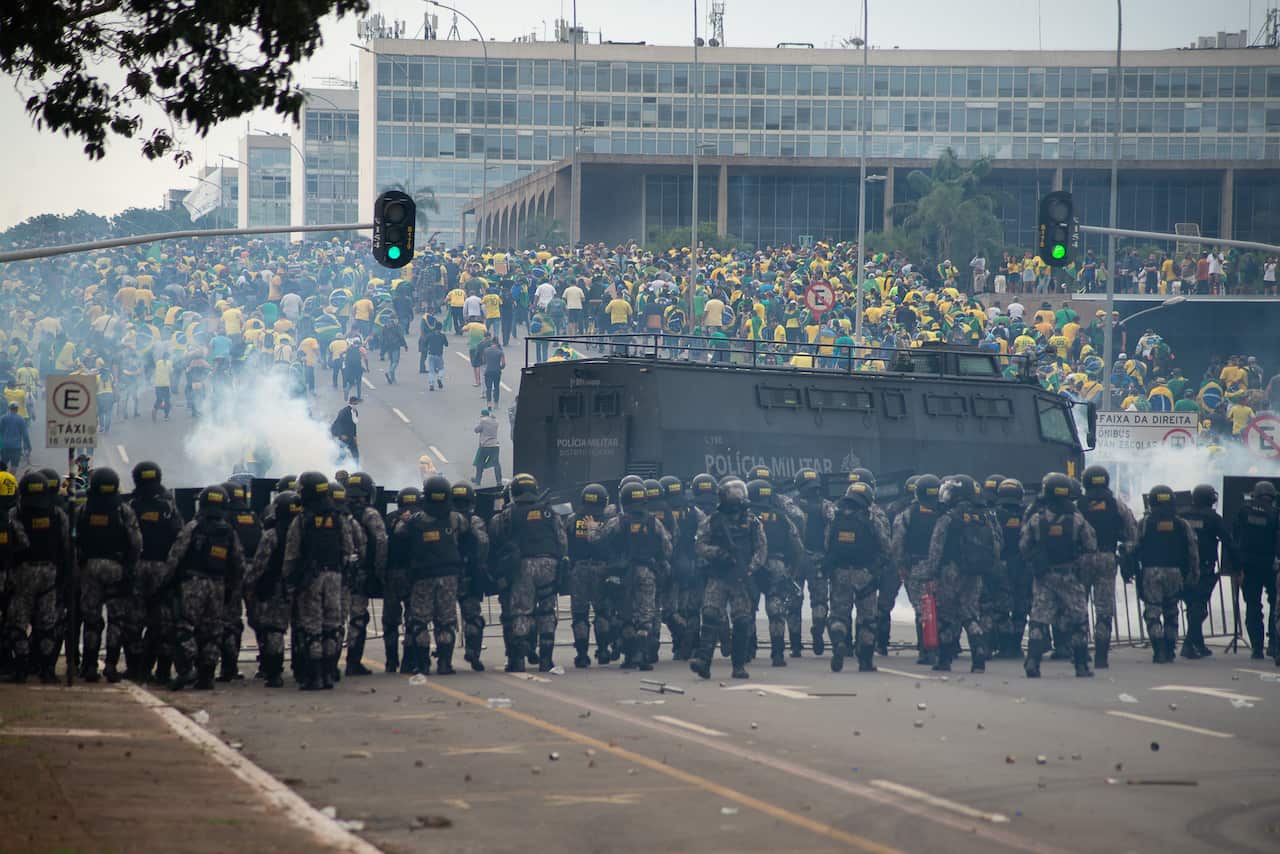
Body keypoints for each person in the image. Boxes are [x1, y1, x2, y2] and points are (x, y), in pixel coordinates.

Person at [166, 485, 245, 691]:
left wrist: (168, 583)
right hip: (218, 586)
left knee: (185, 627)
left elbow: (175, 556)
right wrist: (231, 589)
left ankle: (187, 669)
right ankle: (207, 675)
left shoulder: (193, 527)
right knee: (212, 631)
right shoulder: (229, 531)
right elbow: (238, 564)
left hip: (193, 584)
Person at [1019, 473, 1097, 678]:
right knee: (1078, 618)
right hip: (1070, 576)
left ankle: (1033, 662)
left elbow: (1024, 546)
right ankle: (1081, 665)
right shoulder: (1078, 520)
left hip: (1044, 577)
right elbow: (1091, 545)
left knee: (1039, 618)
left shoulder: (1037, 519)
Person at [283, 472, 355, 690]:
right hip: (335, 576)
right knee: (332, 626)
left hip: (310, 578)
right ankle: (329, 673)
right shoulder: (338, 517)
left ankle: (314, 676)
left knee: (312, 627)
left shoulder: (302, 519)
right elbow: (348, 549)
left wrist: (288, 579)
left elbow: (291, 553)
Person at [489, 473, 567, 673]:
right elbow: (562, 540)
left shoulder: (507, 514)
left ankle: (518, 658)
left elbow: (496, 534)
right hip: (549, 564)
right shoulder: (549, 512)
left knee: (522, 611)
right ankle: (546, 660)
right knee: (547, 612)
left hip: (522, 566)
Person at [592, 480, 672, 671]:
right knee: (645, 616)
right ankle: (642, 656)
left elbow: (596, 539)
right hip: (648, 572)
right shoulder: (655, 522)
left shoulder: (617, 521)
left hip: (623, 573)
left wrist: (592, 527)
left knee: (626, 614)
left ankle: (629, 657)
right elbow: (667, 548)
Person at [398, 476, 474, 676]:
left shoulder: (416, 520)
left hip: (422, 576)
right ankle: (445, 663)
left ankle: (423, 664)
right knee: (446, 620)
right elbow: (470, 536)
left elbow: (399, 536)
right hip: (449, 575)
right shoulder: (455, 518)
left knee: (419, 621)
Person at [691, 479, 766, 680]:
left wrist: (750, 568)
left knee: (742, 621)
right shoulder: (712, 521)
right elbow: (699, 545)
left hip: (741, 578)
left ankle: (739, 665)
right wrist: (717, 553)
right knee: (710, 615)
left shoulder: (752, 522)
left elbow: (761, 549)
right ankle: (703, 661)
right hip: (719, 575)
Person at [924, 475, 999, 673]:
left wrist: (930, 574)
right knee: (970, 613)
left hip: (950, 571)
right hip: (975, 572)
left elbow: (935, 548)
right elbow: (997, 546)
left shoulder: (948, 518)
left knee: (946, 615)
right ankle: (979, 652)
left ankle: (945, 660)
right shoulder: (985, 517)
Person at [75, 467, 143, 683]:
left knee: (91, 619)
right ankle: (111, 665)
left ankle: (89, 666)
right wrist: (130, 567)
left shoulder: (83, 510)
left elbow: (73, 540)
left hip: (89, 568)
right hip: (116, 567)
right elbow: (136, 542)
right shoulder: (123, 511)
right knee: (116, 620)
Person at [1076, 465, 1138, 669]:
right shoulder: (1116, 505)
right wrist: (1125, 552)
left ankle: (1081, 653)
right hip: (1107, 557)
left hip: (1081, 559)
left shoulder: (1077, 505)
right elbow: (1132, 532)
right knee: (1104, 607)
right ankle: (1101, 655)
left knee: (1079, 606)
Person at [825, 481, 889, 673]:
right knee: (866, 619)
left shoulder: (835, 517)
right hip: (865, 574)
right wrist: (878, 568)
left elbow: (827, 544)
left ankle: (838, 643)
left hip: (840, 573)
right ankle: (866, 661)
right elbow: (886, 546)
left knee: (838, 614)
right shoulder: (872, 518)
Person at [127, 461, 183, 683]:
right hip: (162, 569)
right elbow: (179, 537)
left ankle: (136, 669)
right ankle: (162, 670)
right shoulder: (168, 507)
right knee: (163, 622)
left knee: (134, 621)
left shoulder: (130, 505)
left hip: (137, 567)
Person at [1133, 485, 1199, 664]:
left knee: (1153, 611)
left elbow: (1135, 546)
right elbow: (1192, 551)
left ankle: (1158, 649)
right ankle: (1170, 648)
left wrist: (1131, 570)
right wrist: (1194, 574)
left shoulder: (1145, 523)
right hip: (1175, 572)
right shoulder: (1181, 523)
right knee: (1171, 610)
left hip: (1151, 572)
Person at [243, 490, 300, 687]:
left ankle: (274, 672)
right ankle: (306, 670)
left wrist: (249, 585)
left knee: (274, 630)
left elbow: (259, 564)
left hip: (276, 587)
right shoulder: (305, 530)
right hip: (301, 585)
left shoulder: (272, 534)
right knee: (304, 628)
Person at [6, 474, 57, 683]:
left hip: (23, 575)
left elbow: (18, 545)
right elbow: (66, 545)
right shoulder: (56, 514)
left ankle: (21, 668)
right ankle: (46, 670)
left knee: (17, 624)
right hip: (49, 574)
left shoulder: (15, 515)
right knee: (46, 625)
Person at [747, 478, 803, 667]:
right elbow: (797, 546)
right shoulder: (781, 516)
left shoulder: (745, 517)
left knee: (747, 608)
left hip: (751, 567)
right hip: (777, 566)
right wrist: (791, 570)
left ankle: (749, 649)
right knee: (776, 609)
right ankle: (778, 653)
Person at [1179, 483, 1236, 659]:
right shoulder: (1213, 518)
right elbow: (1228, 540)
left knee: (1192, 606)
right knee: (1199, 606)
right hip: (1204, 567)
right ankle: (1189, 644)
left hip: (1183, 567)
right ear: (1211, 499)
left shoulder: (1182, 514)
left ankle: (1198, 643)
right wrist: (1236, 564)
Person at [892, 474, 943, 665]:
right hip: (939, 569)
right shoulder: (944, 513)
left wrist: (901, 566)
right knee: (939, 608)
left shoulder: (906, 514)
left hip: (915, 569)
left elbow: (897, 543)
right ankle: (943, 648)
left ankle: (925, 650)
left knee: (921, 609)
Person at [342, 472, 386, 676]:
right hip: (359, 575)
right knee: (358, 618)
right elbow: (381, 542)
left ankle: (325, 663)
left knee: (331, 619)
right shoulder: (370, 514)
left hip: (336, 574)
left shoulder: (337, 512)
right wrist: (378, 571)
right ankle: (353, 662)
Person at [1230, 480, 1279, 661]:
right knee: (1275, 605)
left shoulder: (1244, 512)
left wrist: (1236, 566)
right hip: (1270, 566)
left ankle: (1256, 648)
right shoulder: (1275, 514)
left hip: (1248, 565)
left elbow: (1234, 536)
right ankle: (1273, 645)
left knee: (1253, 605)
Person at [568, 483, 611, 668]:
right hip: (603, 569)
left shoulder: (572, 519)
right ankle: (602, 651)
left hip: (578, 568)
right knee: (602, 612)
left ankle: (582, 655)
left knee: (579, 614)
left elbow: (564, 542)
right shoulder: (610, 521)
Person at [791, 468, 833, 657]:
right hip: (818, 559)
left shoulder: (791, 506)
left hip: (796, 560)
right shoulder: (827, 506)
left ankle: (795, 645)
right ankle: (818, 628)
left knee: (793, 602)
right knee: (820, 601)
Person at [451, 480, 490, 672]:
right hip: (468, 574)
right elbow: (483, 544)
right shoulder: (475, 521)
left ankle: (443, 660)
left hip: (447, 575)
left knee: (445, 620)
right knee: (473, 617)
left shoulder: (443, 519)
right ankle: (473, 652)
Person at [473, 408, 502, 486]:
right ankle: (499, 481)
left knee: (480, 463)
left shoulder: (483, 421)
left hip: (485, 445)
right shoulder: (495, 421)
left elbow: (476, 430)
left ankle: (477, 481)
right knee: (496, 464)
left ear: (482, 415)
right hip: (495, 445)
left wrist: (480, 421)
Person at [0, 402, 30, 471]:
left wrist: (0, 445)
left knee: (3, 464)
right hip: (16, 447)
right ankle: (11, 478)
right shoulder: (21, 419)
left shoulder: (3, 418)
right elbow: (25, 435)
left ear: (9, 408)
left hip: (5, 446)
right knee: (14, 465)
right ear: (17, 409)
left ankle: (2, 478)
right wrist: (28, 447)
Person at [330, 396, 360, 465]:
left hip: (350, 436)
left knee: (356, 454)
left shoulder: (355, 412)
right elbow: (338, 423)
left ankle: (357, 469)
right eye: (354, 403)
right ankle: (335, 466)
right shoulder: (344, 412)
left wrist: (355, 436)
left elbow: (354, 424)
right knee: (343, 455)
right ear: (351, 403)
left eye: (356, 404)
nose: (355, 405)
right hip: (344, 436)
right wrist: (341, 435)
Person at [422, 317, 448, 390]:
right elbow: (446, 344)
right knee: (441, 368)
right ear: (441, 328)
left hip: (431, 354)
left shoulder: (430, 335)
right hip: (439, 354)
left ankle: (431, 384)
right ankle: (439, 378)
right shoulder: (442, 335)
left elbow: (425, 343)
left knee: (431, 371)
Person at [482, 338, 506, 405]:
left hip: (488, 371)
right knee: (496, 387)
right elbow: (503, 363)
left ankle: (489, 403)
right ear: (497, 343)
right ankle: (496, 403)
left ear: (491, 343)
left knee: (488, 388)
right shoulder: (500, 352)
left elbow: (483, 360)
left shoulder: (486, 350)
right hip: (497, 371)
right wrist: (500, 367)